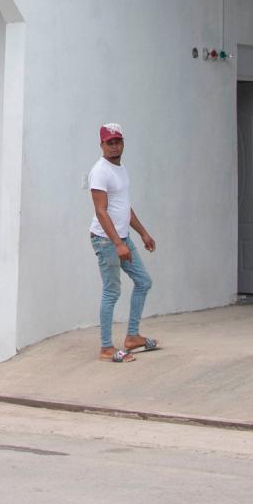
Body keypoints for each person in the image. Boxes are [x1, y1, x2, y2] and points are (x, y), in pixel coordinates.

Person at [88, 122, 158, 362]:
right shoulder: (100, 171)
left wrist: (143, 233)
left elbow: (123, 207)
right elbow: (101, 211)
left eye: (117, 141)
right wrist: (118, 243)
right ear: (102, 145)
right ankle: (106, 348)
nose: (114, 146)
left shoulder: (121, 169)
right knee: (112, 291)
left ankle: (132, 337)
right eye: (109, 142)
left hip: (122, 238)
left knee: (143, 281)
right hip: (106, 241)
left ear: (123, 143)